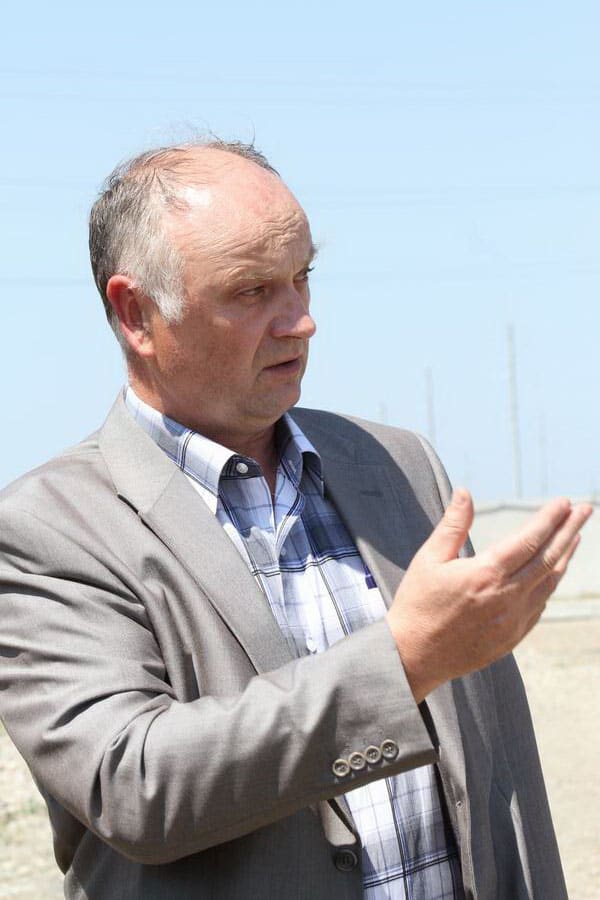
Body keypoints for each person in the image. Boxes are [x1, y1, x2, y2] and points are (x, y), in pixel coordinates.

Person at [0, 139, 591, 900]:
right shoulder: (52, 527)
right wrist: (403, 662)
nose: (301, 321)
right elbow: (132, 783)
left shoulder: (399, 466)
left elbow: (501, 777)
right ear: (135, 313)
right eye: (252, 291)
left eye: (302, 277)